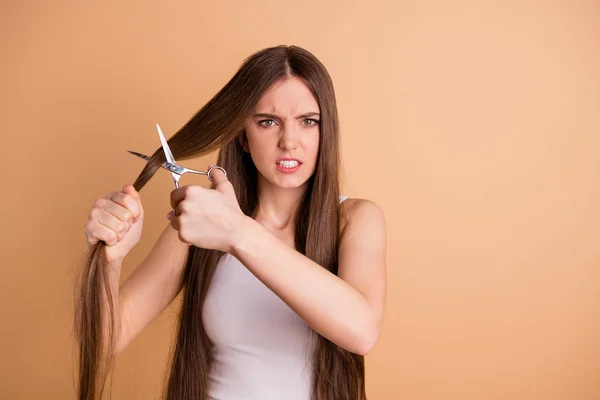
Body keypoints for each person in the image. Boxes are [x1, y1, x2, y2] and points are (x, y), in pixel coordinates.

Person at [78, 45, 387, 400]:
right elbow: (105, 340)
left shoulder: (356, 219)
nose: (289, 142)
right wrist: (109, 260)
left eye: (308, 121)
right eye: (268, 122)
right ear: (243, 134)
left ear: (326, 130)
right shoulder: (198, 225)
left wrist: (237, 232)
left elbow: (361, 331)